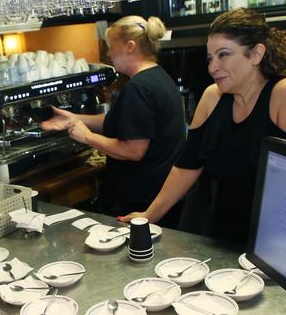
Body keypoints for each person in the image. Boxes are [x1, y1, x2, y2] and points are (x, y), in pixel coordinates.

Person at [120, 8, 286, 243]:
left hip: (278, 241)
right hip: (223, 237)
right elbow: (187, 166)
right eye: (210, 58)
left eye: (223, 55)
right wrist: (148, 216)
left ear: (256, 54)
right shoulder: (212, 98)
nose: (212, 67)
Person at [41, 15, 186, 225]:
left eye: (111, 46)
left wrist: (87, 137)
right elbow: (122, 123)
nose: (108, 53)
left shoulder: (138, 88)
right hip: (157, 191)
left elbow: (133, 150)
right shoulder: (157, 76)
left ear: (130, 46)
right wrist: (75, 118)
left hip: (141, 198)